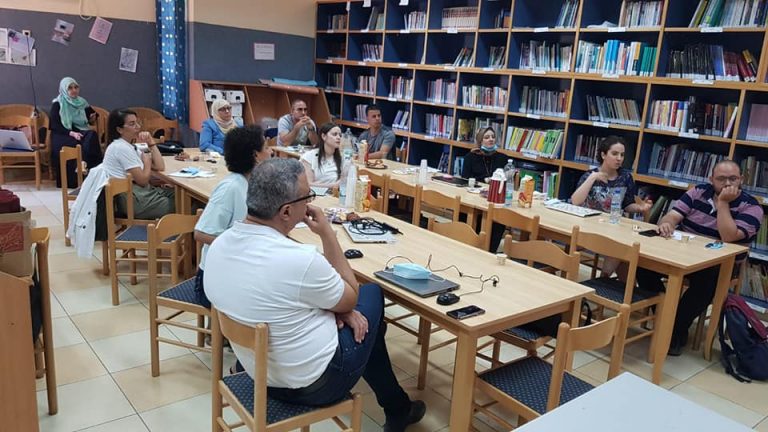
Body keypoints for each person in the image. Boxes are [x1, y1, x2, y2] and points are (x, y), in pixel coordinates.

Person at [204, 158, 426, 432]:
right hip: (314, 384)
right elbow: (351, 296)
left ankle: (397, 405)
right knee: (371, 294)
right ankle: (396, 407)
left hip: (256, 373)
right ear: (286, 211)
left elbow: (277, 298)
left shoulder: (220, 245)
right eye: (307, 197)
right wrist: (327, 235)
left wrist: (338, 310)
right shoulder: (299, 260)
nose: (311, 203)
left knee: (359, 320)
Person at [636, 160, 762, 356]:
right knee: (644, 265)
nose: (728, 183)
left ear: (742, 179)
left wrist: (723, 203)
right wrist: (667, 223)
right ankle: (664, 317)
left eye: (733, 179)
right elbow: (671, 216)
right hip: (684, 253)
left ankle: (674, 330)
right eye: (721, 179)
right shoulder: (698, 192)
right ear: (711, 179)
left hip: (720, 264)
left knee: (707, 281)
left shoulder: (751, 206)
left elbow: (728, 236)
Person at [193, 125, 273, 308]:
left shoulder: (253, 183)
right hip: (213, 281)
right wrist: (241, 245)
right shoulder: (231, 187)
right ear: (256, 155)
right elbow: (201, 233)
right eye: (267, 147)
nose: (271, 152)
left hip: (238, 270)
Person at [101, 109, 175, 220]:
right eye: (132, 124)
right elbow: (143, 181)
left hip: (142, 193)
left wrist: (151, 143)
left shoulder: (131, 146)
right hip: (134, 201)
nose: (138, 127)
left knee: (182, 196)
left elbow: (160, 166)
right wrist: (147, 162)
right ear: (119, 129)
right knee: (186, 204)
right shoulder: (120, 148)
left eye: (137, 122)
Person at [571, 135, 650, 215]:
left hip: (614, 219)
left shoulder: (626, 177)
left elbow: (627, 205)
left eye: (622, 155)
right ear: (603, 155)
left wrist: (639, 208)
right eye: (614, 154)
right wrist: (593, 177)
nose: (619, 158)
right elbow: (575, 201)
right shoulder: (590, 175)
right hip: (591, 219)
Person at [49, 77, 103, 188]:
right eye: (70, 88)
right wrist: (71, 133)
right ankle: (73, 179)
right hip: (63, 134)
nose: (74, 90)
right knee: (79, 142)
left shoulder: (81, 102)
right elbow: (55, 125)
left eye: (76, 87)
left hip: (79, 132)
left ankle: (92, 174)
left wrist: (92, 118)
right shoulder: (58, 104)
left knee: (92, 136)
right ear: (64, 89)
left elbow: (91, 115)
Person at [300, 122, 349, 189]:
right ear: (323, 136)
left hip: (333, 194)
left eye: (340, 135)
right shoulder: (309, 157)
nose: (338, 137)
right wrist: (333, 185)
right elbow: (308, 185)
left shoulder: (343, 158)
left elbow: (343, 182)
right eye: (334, 134)